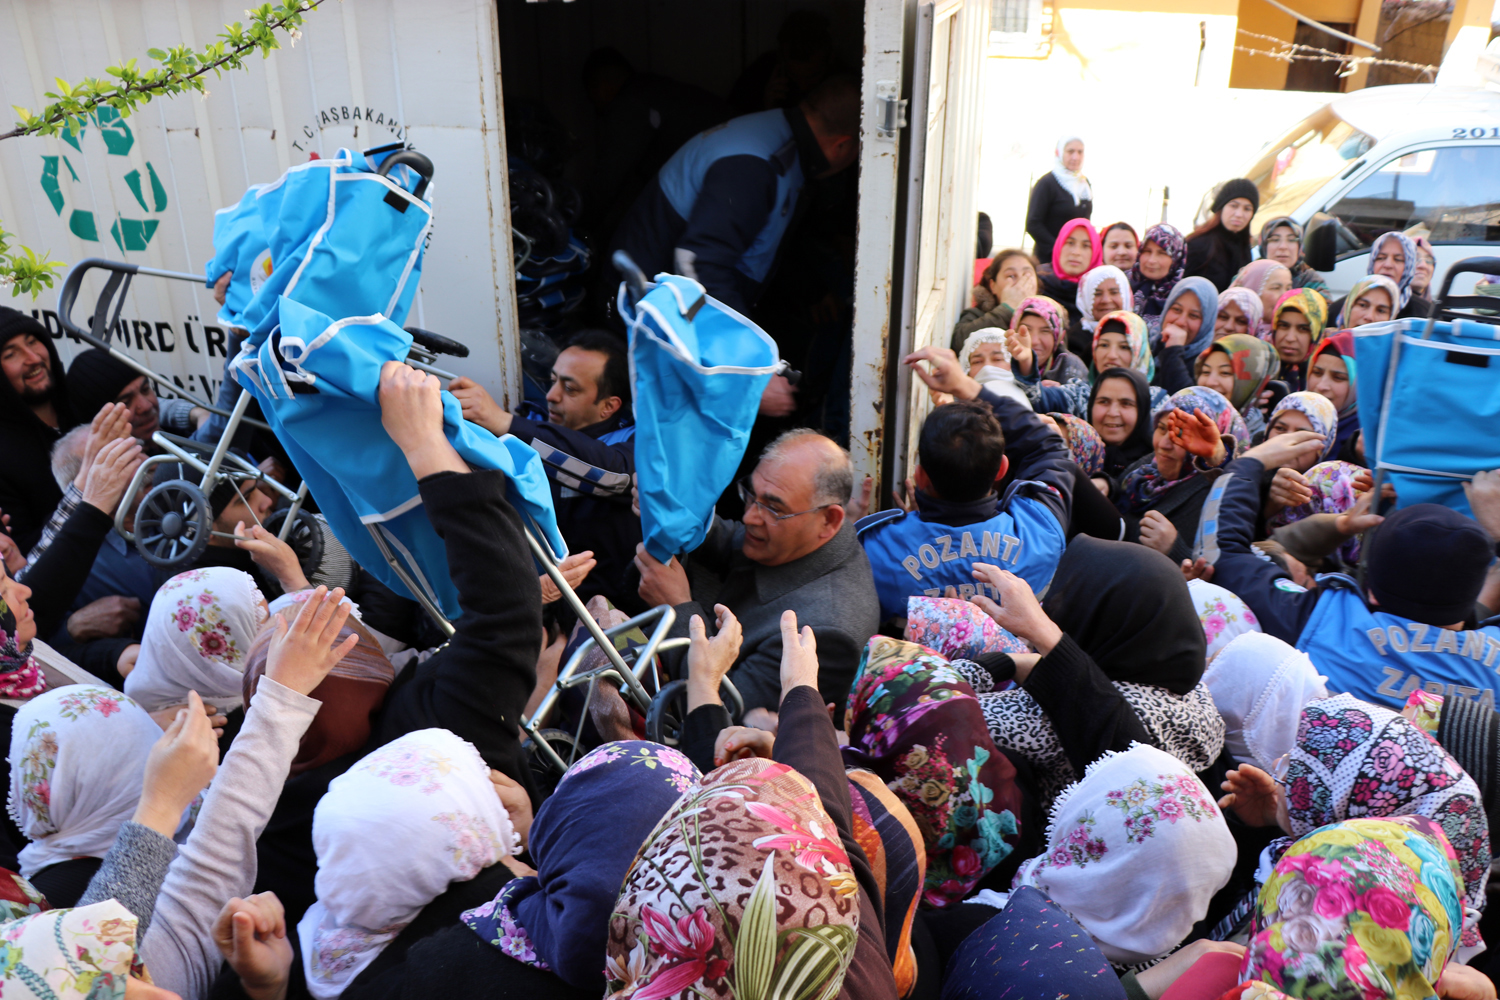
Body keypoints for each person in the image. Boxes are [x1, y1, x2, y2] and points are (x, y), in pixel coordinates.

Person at [1195, 426, 1500, 714]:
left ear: (1371, 587)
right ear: (1472, 595)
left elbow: (1220, 551)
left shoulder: (1326, 624)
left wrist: (1249, 464)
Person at [633, 428, 877, 729]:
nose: (749, 516)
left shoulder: (824, 632)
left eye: (773, 508)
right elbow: (737, 543)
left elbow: (717, 717)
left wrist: (678, 610)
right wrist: (679, 519)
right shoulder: (805, 542)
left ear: (829, 520)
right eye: (751, 495)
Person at [609, 73, 860, 317]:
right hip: (641, 312)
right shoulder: (755, 166)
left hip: (660, 305)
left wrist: (811, 291)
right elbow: (699, 265)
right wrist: (738, 349)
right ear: (841, 146)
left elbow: (761, 236)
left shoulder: (782, 139)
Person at [856, 346, 1073, 625]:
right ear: (1001, 470)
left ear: (920, 477)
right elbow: (1049, 445)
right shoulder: (1041, 531)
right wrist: (967, 386)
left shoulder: (875, 550)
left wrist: (850, 545)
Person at [449, 330, 641, 611]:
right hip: (520, 596)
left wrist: (504, 423)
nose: (551, 396)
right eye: (552, 381)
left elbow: (612, 474)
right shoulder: (533, 422)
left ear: (608, 407)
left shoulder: (633, 447)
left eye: (570, 389)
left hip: (600, 614)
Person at [577, 47, 730, 246]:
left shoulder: (632, 103)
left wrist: (575, 227)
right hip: (730, 179)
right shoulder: (655, 90)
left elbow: (609, 179)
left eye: (592, 97)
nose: (596, 107)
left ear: (604, 88)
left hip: (721, 187)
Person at [1117, 386, 1247, 564]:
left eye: (1180, 434)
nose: (1164, 444)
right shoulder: (1149, 465)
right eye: (1162, 429)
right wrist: (1107, 483)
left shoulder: (1214, 493)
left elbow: (1219, 575)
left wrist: (1174, 548)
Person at [0, 308, 77, 552]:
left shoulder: (82, 398)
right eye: (11, 354)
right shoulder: (4, 458)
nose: (33, 358)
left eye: (33, 342)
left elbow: (143, 403)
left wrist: (194, 413)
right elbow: (24, 551)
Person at [1328, 231, 1431, 322]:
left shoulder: (1423, 314)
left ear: (1409, 266)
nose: (1388, 265)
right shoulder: (1340, 309)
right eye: (1381, 258)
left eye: (1398, 259)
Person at [1194, 332, 1280, 436]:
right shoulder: (1183, 419)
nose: (1210, 382)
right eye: (1205, 372)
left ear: (1252, 383)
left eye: (1225, 373)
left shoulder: (1261, 439)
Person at [1040, 219, 1102, 356]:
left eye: (1086, 246)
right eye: (1070, 243)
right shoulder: (1036, 285)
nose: (1076, 252)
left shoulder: (1103, 294)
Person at [1026, 136, 1093, 264]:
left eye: (1080, 152)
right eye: (1070, 151)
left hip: (1076, 259)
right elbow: (1033, 224)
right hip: (1048, 260)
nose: (1075, 157)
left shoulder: (1083, 184)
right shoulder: (1047, 183)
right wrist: (1058, 249)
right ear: (1059, 152)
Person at [952, 249, 1039, 344]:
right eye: (1011, 276)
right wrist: (1007, 308)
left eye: (1027, 275)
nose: (1020, 282)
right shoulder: (977, 315)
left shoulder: (1048, 316)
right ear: (993, 286)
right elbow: (959, 341)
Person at [1185, 179, 1258, 291]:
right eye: (1234, 206)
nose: (1239, 214)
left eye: (1247, 209)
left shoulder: (1245, 249)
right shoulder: (1198, 244)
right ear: (1221, 207)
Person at [1001, 295, 1088, 384]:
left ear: (1058, 337)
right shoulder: (998, 359)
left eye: (1045, 331)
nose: (1034, 341)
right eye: (1026, 330)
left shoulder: (1072, 368)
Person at [1153, 276, 1220, 393]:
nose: (1181, 322)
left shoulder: (1208, 366)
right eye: (1177, 309)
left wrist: (1173, 351)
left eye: (1193, 316)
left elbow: (1185, 402)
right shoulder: (1147, 345)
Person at [1305, 329, 1361, 463]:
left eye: (1338, 378)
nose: (1321, 386)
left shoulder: (1364, 442)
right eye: (1317, 373)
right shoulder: (1292, 416)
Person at [1129, 223, 1187, 334]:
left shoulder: (1183, 296)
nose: (1151, 260)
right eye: (1147, 251)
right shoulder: (1123, 285)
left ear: (1176, 259)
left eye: (1162, 253)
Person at [1267, 287, 1327, 392]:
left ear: (1316, 334)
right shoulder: (1257, 367)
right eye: (1283, 326)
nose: (1290, 338)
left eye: (1303, 329)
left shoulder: (1325, 379)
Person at [1255, 216, 1327, 292]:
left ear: (1299, 246)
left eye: (1291, 240)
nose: (1283, 246)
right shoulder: (1250, 276)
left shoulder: (1311, 282)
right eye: (1275, 239)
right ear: (1263, 246)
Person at [1230, 260, 1293, 338]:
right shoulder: (1229, 328)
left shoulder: (1291, 336)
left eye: (1288, 288)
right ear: (1253, 291)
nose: (1285, 296)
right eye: (1276, 288)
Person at [1074, 265, 1133, 344]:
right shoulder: (1074, 340)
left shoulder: (1137, 333)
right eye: (1097, 294)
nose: (1106, 300)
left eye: (1114, 292)